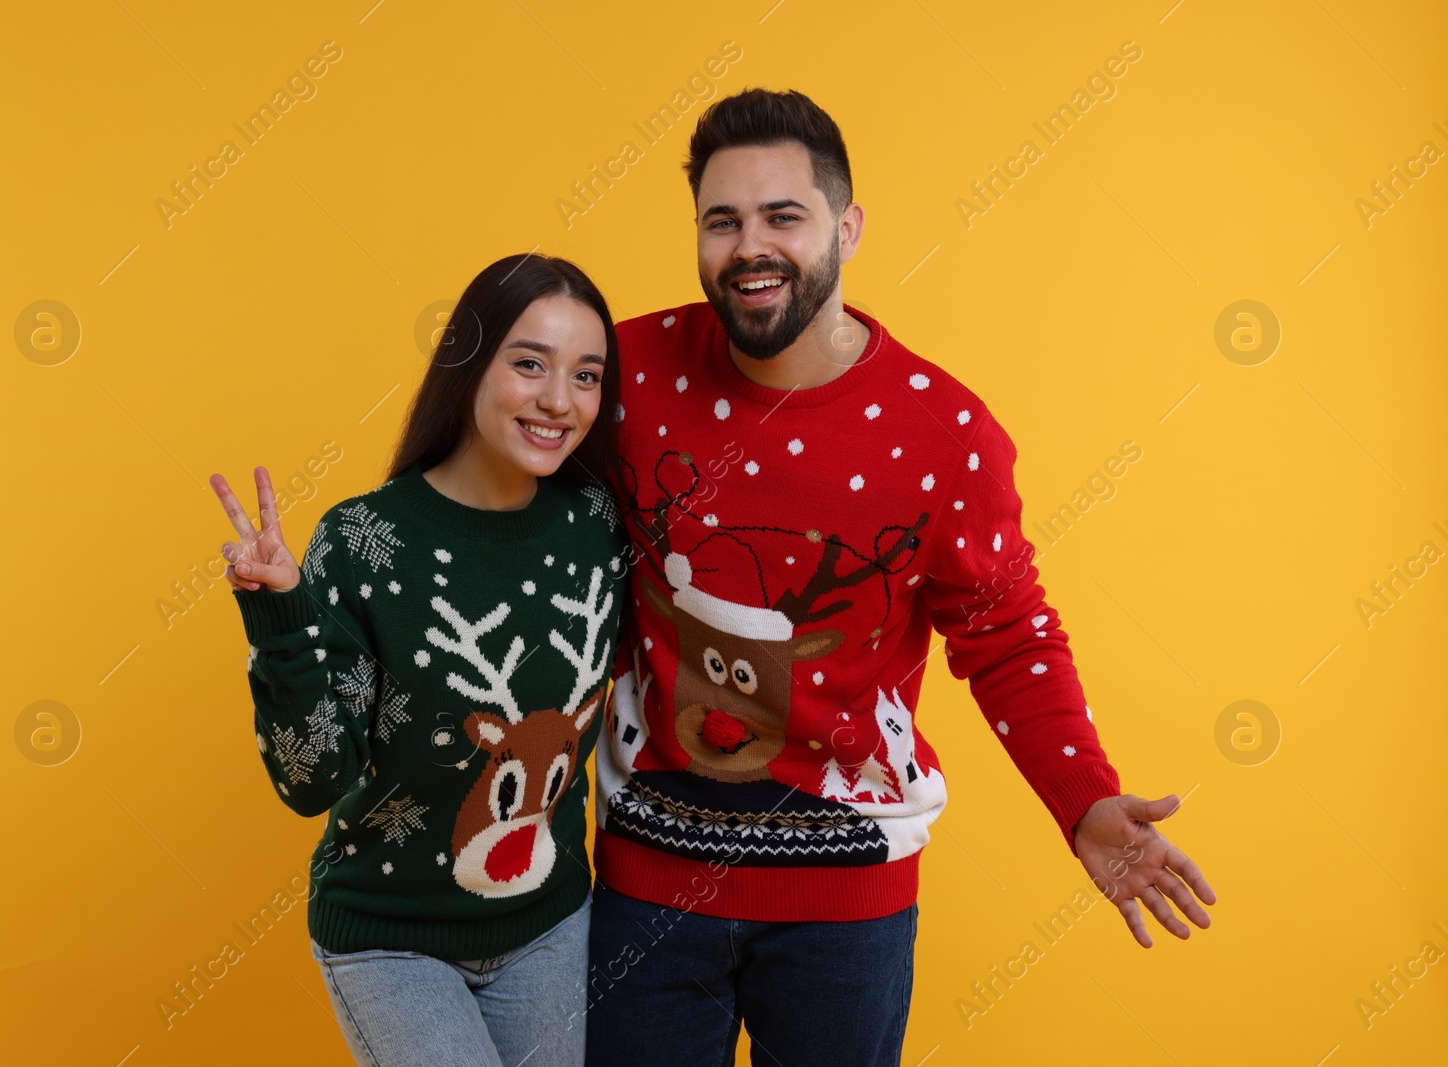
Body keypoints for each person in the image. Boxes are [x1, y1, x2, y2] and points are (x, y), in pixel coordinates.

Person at [586, 88, 1217, 1066]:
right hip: (646, 890)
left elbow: (1006, 636)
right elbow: (505, 485)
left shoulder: (946, 433)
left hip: (846, 903)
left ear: (847, 227)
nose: (749, 244)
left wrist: (1084, 800)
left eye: (782, 216)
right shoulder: (620, 372)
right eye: (722, 221)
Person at [210, 253, 629, 1067]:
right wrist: (283, 618)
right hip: (393, 939)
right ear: (468, 364)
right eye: (529, 364)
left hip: (547, 924)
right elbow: (312, 779)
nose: (558, 400)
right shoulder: (367, 540)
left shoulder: (597, 521)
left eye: (587, 375)